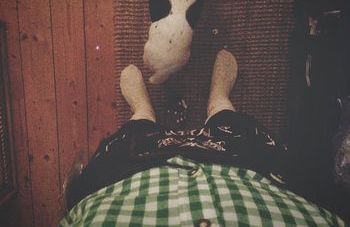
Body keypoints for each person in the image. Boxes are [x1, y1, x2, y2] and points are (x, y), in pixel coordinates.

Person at [60, 50, 345, 226]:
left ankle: (143, 113)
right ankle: (219, 104)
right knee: (235, 132)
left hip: (126, 185)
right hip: (253, 181)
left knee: (133, 141)